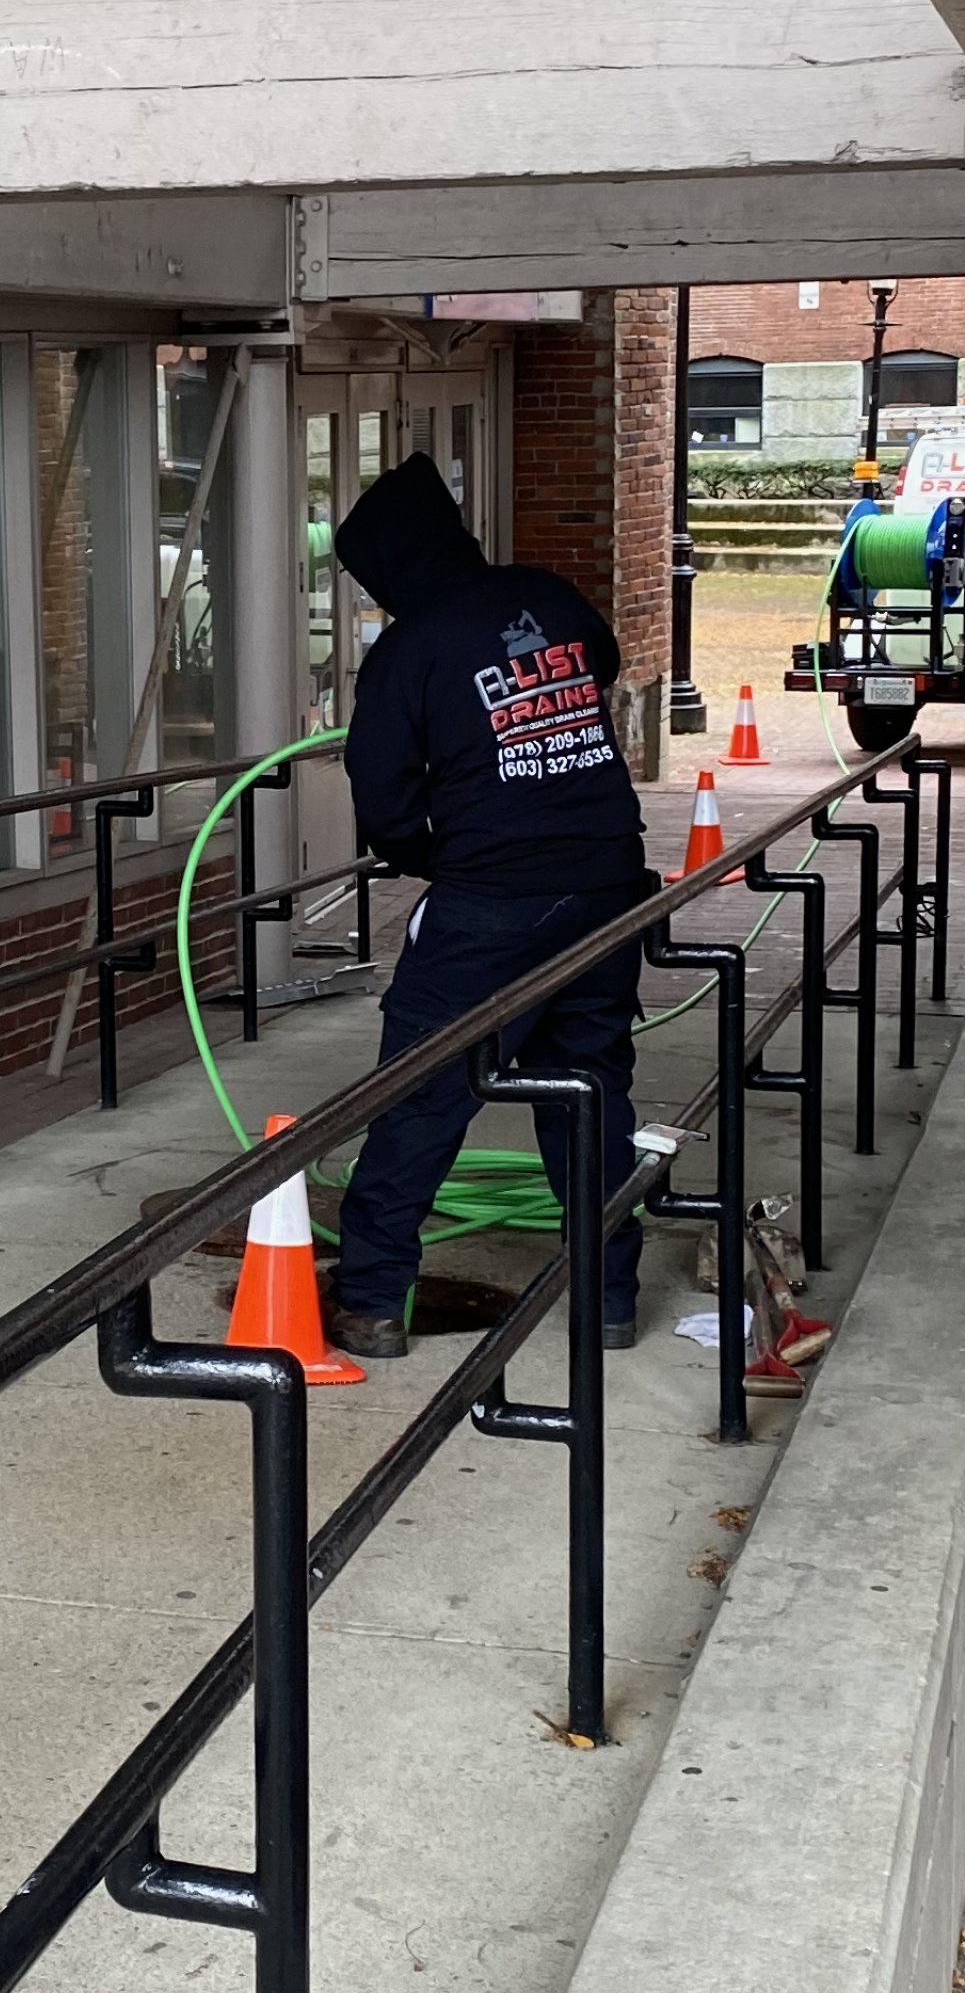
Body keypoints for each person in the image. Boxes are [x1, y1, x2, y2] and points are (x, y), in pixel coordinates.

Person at [322, 452, 646, 1359]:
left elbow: (384, 797)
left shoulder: (408, 648)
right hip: (609, 885)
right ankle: (609, 1295)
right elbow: (603, 667)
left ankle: (374, 1299)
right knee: (586, 1090)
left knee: (419, 1094)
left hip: (493, 899)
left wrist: (436, 856)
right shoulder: (549, 597)